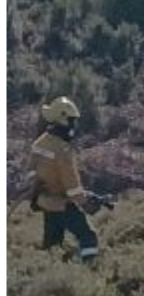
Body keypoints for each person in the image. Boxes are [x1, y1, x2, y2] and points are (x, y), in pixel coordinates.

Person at [29, 97, 101, 264]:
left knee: (52, 245)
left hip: (45, 202)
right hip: (63, 204)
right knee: (88, 236)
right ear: (62, 119)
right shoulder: (63, 149)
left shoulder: (40, 143)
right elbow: (72, 186)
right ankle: (90, 269)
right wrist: (86, 202)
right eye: (72, 121)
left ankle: (47, 276)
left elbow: (31, 170)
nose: (74, 125)